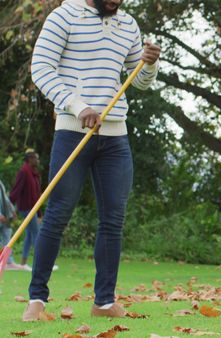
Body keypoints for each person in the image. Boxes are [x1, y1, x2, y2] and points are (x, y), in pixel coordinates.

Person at [22, 0, 161, 321]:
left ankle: (104, 302)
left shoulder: (128, 23)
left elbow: (138, 81)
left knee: (113, 220)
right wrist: (76, 104)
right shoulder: (64, 15)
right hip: (73, 131)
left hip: (116, 136)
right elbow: (40, 68)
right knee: (57, 215)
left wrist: (148, 64)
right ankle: (36, 301)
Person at [10, 149, 44, 271]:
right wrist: (10, 207)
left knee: (30, 235)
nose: (38, 160)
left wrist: (39, 213)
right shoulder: (24, 172)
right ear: (30, 159)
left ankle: (23, 263)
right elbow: (16, 190)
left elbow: (36, 195)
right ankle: (41, 264)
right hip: (26, 208)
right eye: (36, 158)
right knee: (37, 234)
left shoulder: (33, 173)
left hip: (32, 208)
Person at [1, 177, 22, 271]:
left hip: (5, 216)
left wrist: (12, 211)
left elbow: (5, 198)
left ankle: (8, 261)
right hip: (1, 216)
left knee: (8, 238)